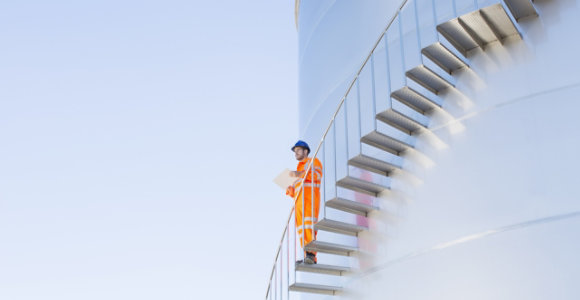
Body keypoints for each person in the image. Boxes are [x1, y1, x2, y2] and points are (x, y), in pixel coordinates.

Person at [286, 140, 322, 264]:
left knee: (309, 228)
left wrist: (298, 174)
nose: (296, 153)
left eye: (298, 150)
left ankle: (312, 255)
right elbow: (296, 191)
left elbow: (317, 176)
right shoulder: (299, 169)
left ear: (305, 151)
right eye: (295, 151)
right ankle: (307, 254)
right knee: (302, 231)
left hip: (309, 201)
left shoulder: (313, 161)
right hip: (300, 204)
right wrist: (289, 188)